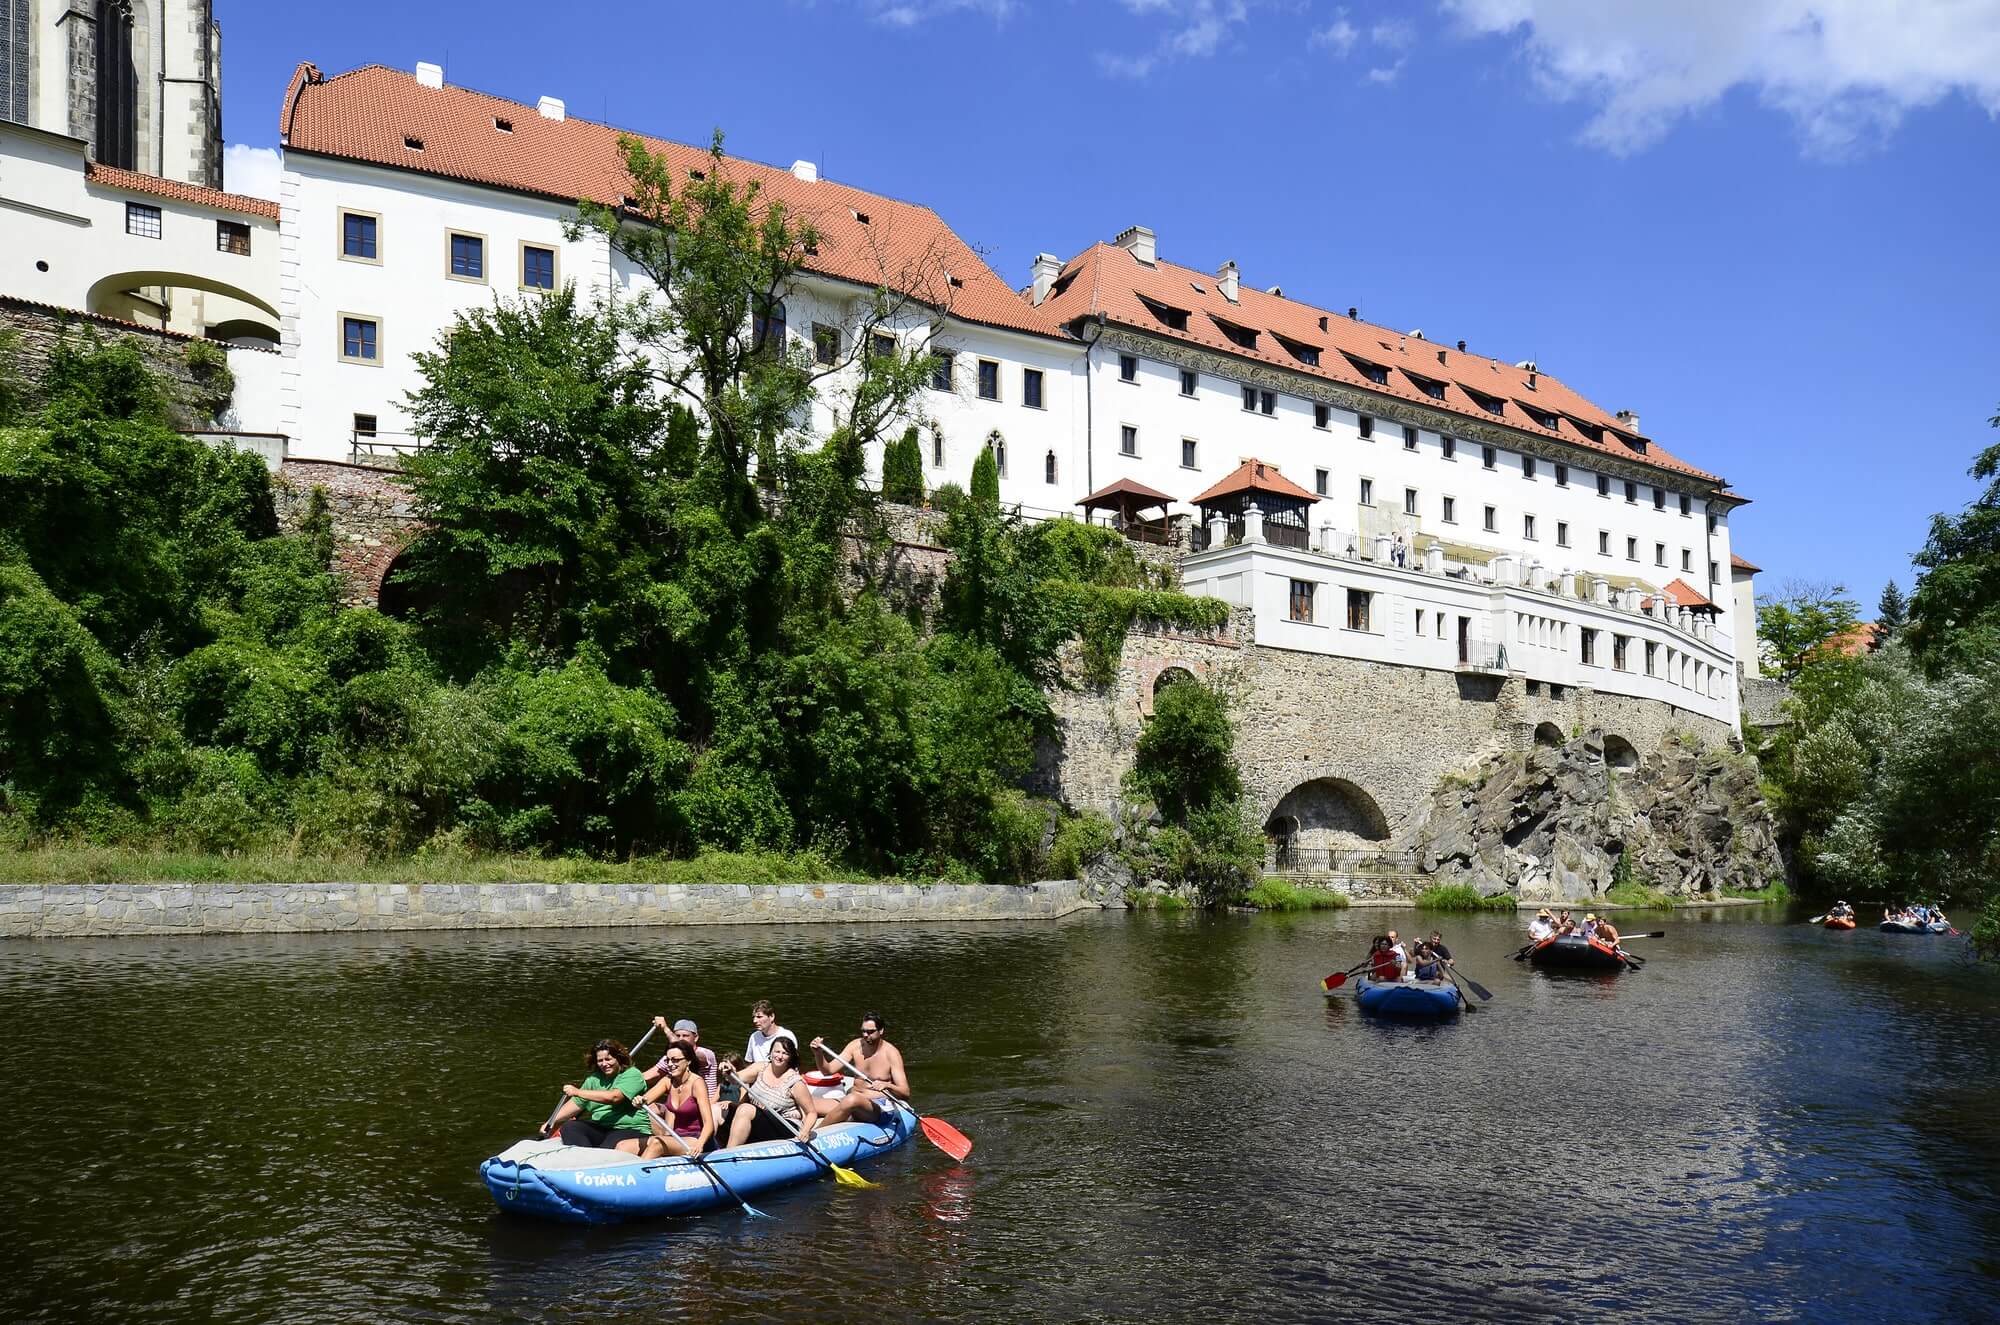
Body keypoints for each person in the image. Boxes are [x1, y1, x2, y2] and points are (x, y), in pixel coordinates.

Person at [543, 1039, 651, 1154]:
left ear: (618, 1059)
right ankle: (583, 1158)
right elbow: (576, 1103)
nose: (604, 1064)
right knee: (569, 1126)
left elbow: (614, 1097)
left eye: (608, 1059)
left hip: (630, 1128)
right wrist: (551, 1122)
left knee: (604, 1151)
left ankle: (593, 1159)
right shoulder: (594, 1079)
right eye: (600, 1061)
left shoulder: (632, 1074)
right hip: (602, 1127)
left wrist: (578, 1091)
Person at [810, 1013, 911, 1127]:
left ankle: (818, 1132)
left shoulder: (891, 1053)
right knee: (809, 1101)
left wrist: (887, 1085)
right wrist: (818, 1053)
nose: (866, 1035)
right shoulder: (855, 1046)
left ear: (881, 1031)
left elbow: (905, 1092)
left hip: (877, 1107)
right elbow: (827, 1070)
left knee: (852, 1099)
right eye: (863, 1031)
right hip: (851, 1102)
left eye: (871, 1032)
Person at [722, 1035, 818, 1149]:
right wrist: (729, 1071)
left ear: (791, 1057)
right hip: (761, 1120)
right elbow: (736, 1078)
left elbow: (811, 1113)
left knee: (745, 1108)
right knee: (717, 1109)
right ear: (771, 1053)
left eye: (785, 1053)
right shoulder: (760, 1068)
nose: (780, 1056)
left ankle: (729, 1152)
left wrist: (805, 1131)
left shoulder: (795, 1082)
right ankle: (706, 1148)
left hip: (785, 1126)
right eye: (777, 1051)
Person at [638, 1041, 715, 1159]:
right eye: (668, 1060)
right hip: (676, 1136)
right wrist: (639, 1100)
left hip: (696, 1139)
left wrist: (699, 1144)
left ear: (688, 1061)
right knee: (624, 1145)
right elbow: (646, 1099)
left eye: (675, 1060)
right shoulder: (668, 1080)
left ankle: (636, 1174)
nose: (670, 1064)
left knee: (657, 1144)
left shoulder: (697, 1083)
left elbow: (709, 1124)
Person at [645, 1017, 719, 1102]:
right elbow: (649, 1076)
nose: (680, 1039)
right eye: (677, 1035)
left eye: (685, 1036)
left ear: (695, 1038)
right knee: (651, 1107)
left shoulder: (706, 1054)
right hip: (678, 1106)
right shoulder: (670, 1057)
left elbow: (688, 1052)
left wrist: (665, 1029)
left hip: (706, 1105)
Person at [745, 1000, 795, 1065]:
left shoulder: (787, 1035)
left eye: (759, 1017)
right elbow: (749, 1063)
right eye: (753, 1017)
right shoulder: (754, 1037)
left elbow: (793, 1063)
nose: (754, 1021)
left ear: (771, 1017)